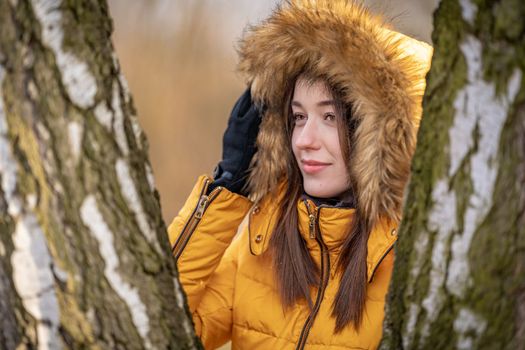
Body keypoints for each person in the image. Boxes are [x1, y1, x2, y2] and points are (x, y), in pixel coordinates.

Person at [168, 1, 432, 349]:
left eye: (329, 118)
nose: (304, 141)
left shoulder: (417, 267)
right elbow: (155, 325)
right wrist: (227, 188)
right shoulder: (261, 246)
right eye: (297, 117)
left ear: (379, 136)